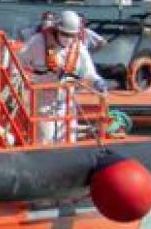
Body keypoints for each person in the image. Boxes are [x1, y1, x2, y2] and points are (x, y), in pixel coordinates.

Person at [21, 9, 105, 144]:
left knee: (69, 138)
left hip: (67, 100)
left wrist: (97, 81)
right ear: (57, 29)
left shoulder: (79, 47)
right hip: (43, 98)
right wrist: (29, 79)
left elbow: (89, 71)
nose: (68, 38)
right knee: (44, 138)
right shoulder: (38, 42)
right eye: (65, 34)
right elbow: (20, 61)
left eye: (72, 35)